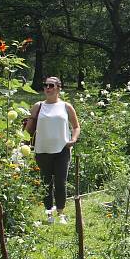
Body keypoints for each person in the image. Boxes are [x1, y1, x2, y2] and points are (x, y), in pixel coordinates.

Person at [28, 77, 81, 224]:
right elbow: (28, 128)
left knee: (60, 182)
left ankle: (61, 213)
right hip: (42, 150)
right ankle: (49, 213)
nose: (47, 88)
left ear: (59, 88)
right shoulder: (38, 106)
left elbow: (76, 126)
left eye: (51, 85)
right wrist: (23, 144)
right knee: (46, 183)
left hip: (62, 150)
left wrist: (73, 140)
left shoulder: (66, 106)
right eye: (45, 85)